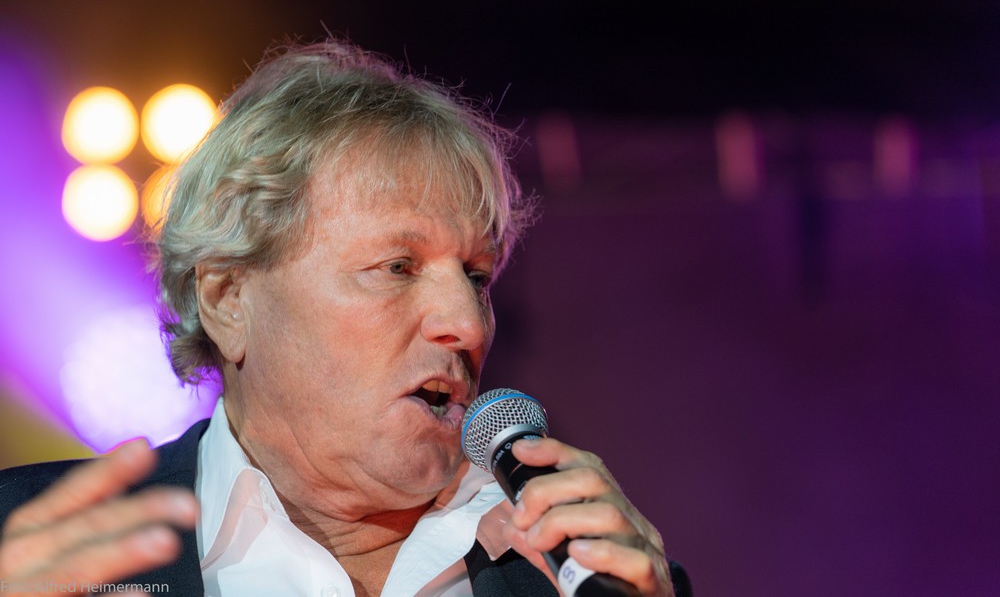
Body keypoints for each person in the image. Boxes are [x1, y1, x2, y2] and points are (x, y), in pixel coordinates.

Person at [0, 40, 689, 596]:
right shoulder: (27, 550)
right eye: (398, 266)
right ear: (228, 297)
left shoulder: (580, 576)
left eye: (476, 277)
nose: (469, 325)